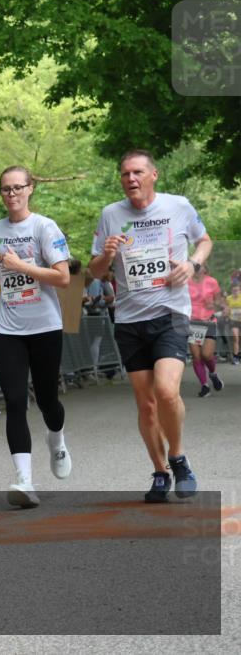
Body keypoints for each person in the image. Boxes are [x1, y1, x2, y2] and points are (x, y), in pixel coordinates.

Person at [89, 149, 213, 503]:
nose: (131, 179)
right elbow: (95, 272)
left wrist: (192, 265)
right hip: (129, 320)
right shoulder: (111, 215)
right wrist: (107, 256)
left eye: (138, 172)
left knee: (167, 391)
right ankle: (160, 472)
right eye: (125, 173)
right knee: (145, 405)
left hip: (170, 313)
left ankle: (179, 457)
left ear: (153, 175)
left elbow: (205, 241)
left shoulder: (178, 206)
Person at [0, 165, 72, 508]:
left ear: (30, 189)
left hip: (45, 325)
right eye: (6, 189)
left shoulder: (44, 227)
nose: (12, 194)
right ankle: (24, 480)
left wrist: (22, 267)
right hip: (8, 327)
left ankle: (57, 439)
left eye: (18, 188)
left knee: (48, 400)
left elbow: (63, 277)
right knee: (15, 401)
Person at [187, 264, 223, 397]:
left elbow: (219, 301)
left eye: (200, 266)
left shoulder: (212, 282)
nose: (197, 268)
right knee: (196, 356)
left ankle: (213, 374)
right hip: (193, 323)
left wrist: (214, 304)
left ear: (205, 269)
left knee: (207, 355)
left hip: (208, 321)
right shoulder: (186, 281)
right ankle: (204, 386)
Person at [227, 282, 241, 364]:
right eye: (234, 290)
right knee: (235, 337)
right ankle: (235, 357)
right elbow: (226, 309)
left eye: (237, 290)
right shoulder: (228, 298)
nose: (235, 292)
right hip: (233, 320)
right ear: (231, 291)